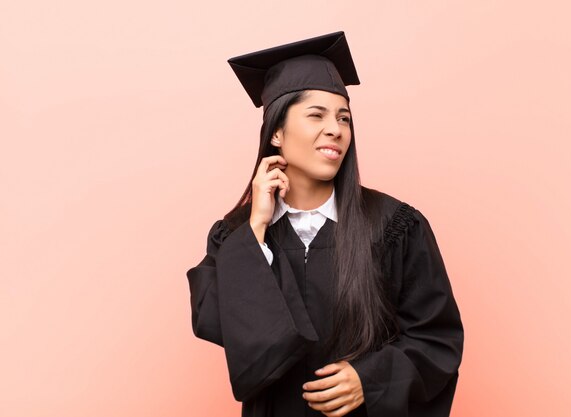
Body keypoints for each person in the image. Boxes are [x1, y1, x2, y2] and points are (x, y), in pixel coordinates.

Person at [186, 31, 464, 417]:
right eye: (316, 114)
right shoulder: (235, 236)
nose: (336, 129)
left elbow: (437, 339)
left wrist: (371, 379)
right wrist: (257, 232)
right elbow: (221, 325)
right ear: (277, 133)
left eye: (344, 118)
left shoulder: (394, 226)